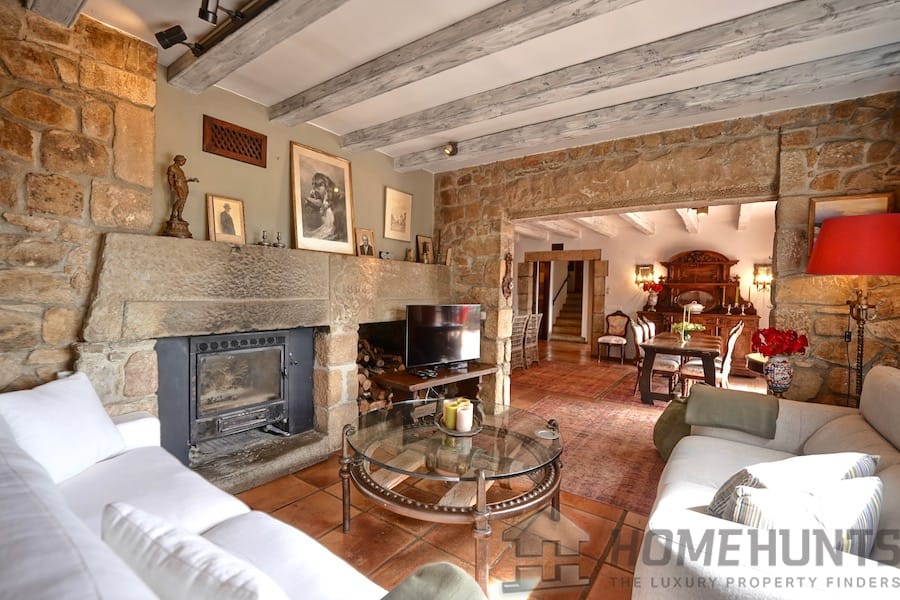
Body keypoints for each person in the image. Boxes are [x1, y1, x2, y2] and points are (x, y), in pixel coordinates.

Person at [166, 155, 198, 222]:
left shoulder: (180, 170)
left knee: (183, 201)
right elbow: (170, 178)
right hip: (178, 185)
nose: (183, 162)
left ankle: (179, 216)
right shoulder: (172, 168)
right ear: (179, 160)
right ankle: (173, 214)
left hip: (184, 185)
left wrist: (191, 180)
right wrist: (171, 186)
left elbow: (183, 179)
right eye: (183, 161)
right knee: (181, 199)